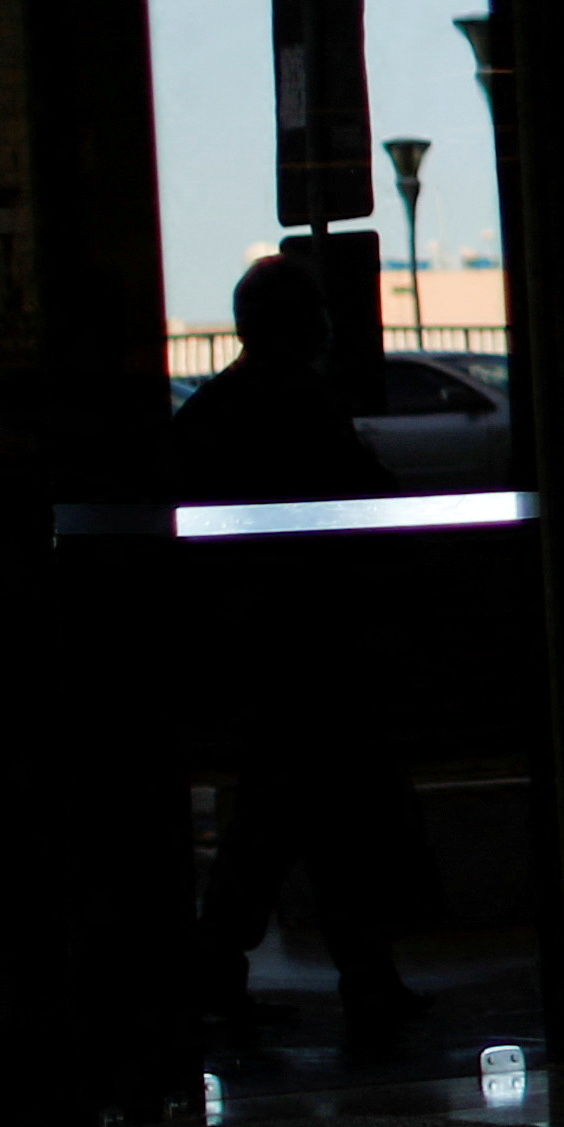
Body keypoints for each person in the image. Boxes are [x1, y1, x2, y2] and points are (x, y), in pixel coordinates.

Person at [169, 251, 433, 1050]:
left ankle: (241, 968)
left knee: (283, 814)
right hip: (309, 645)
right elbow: (365, 501)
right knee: (320, 813)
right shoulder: (306, 406)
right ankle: (358, 975)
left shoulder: (215, 409)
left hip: (256, 648)